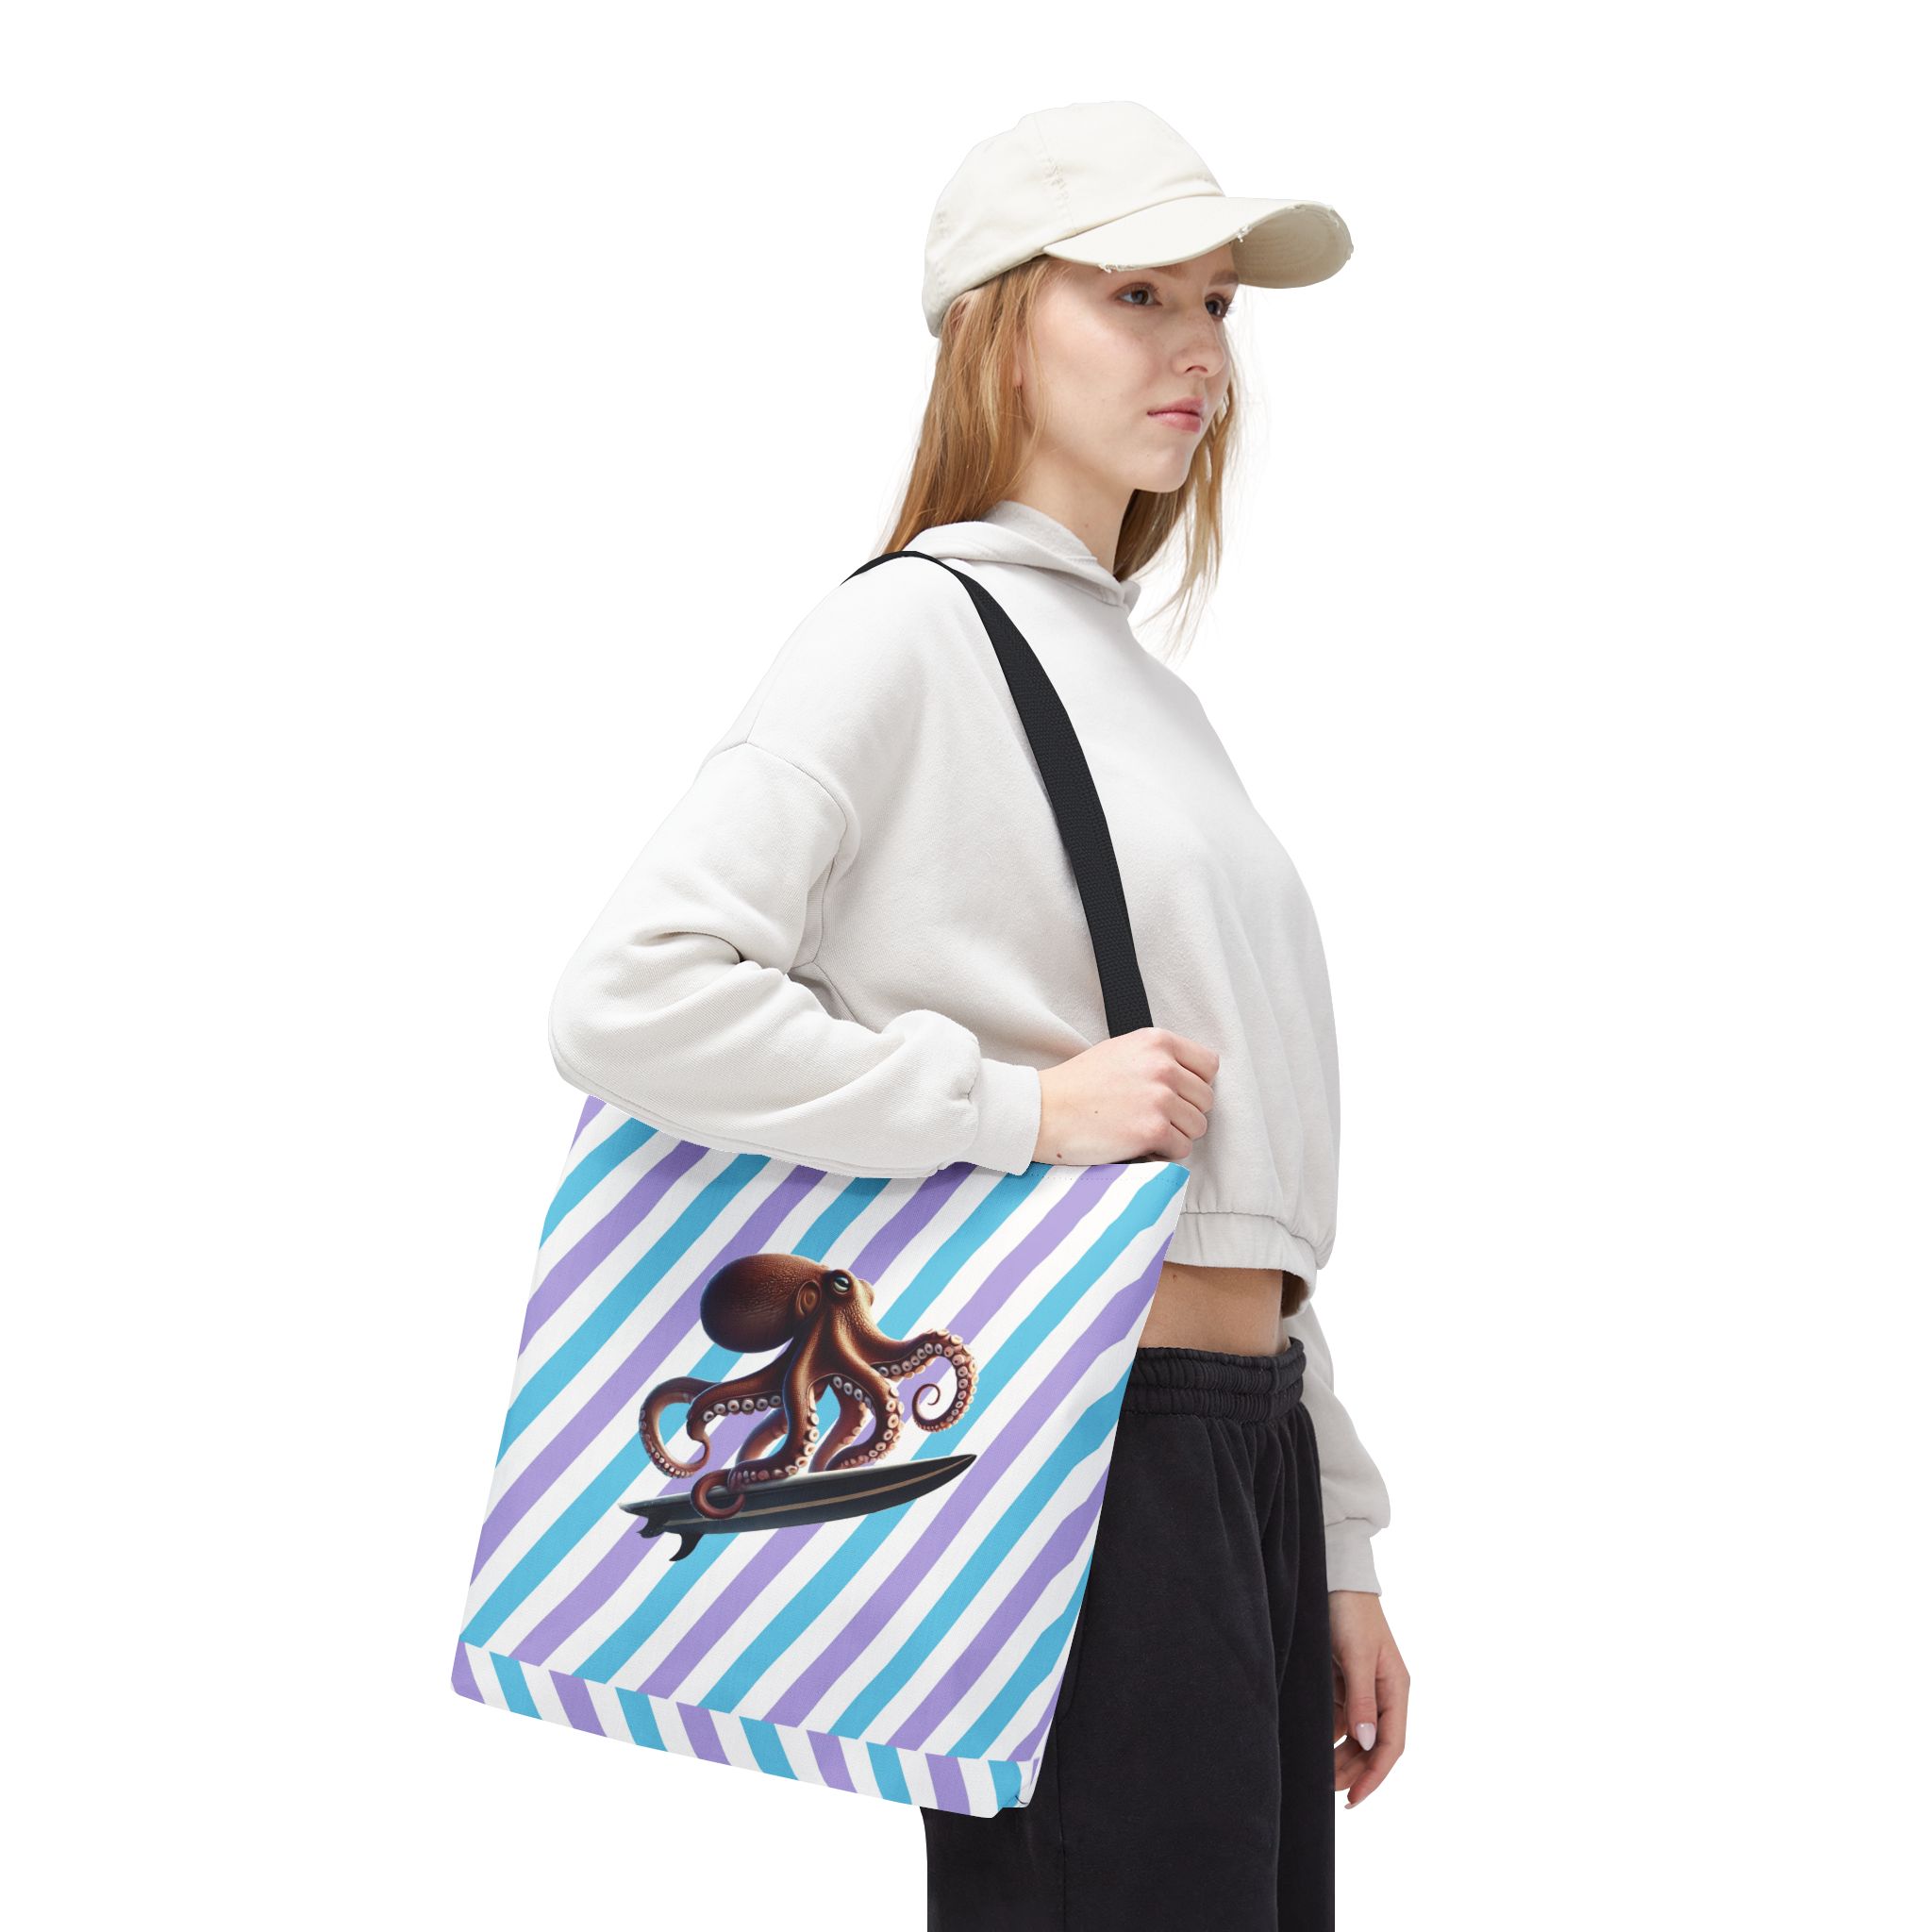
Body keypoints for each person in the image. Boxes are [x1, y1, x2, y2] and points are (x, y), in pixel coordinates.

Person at [546, 99, 1408, 1931]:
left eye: (1217, 303)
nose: (1198, 346)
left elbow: (1234, 1173)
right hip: (1087, 1440)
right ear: (999, 330)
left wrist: (1333, 1533)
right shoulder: (906, 635)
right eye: (1136, 295)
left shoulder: (1147, 693)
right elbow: (630, 997)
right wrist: (1018, 1111)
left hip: (1232, 1445)